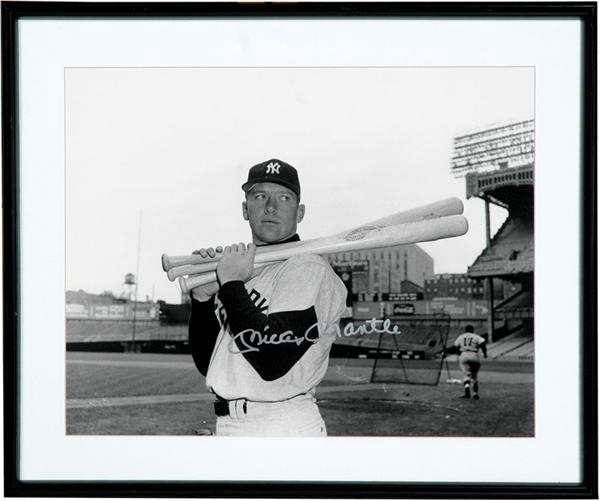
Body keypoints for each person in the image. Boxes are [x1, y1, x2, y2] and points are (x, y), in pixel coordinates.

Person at [187, 158, 347, 436]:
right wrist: (202, 301)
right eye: (259, 196)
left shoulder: (307, 267)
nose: (270, 207)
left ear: (300, 212)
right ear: (245, 209)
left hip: (281, 425)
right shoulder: (246, 269)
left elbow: (273, 359)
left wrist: (232, 284)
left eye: (283, 198)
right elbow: (207, 363)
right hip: (231, 423)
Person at [452, 324, 487, 400]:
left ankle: (467, 393)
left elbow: (455, 346)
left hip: (464, 355)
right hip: (474, 355)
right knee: (474, 376)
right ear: (472, 330)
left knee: (466, 375)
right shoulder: (476, 336)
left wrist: (459, 353)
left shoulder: (461, 336)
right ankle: (475, 394)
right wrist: (485, 353)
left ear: (465, 330)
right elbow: (482, 344)